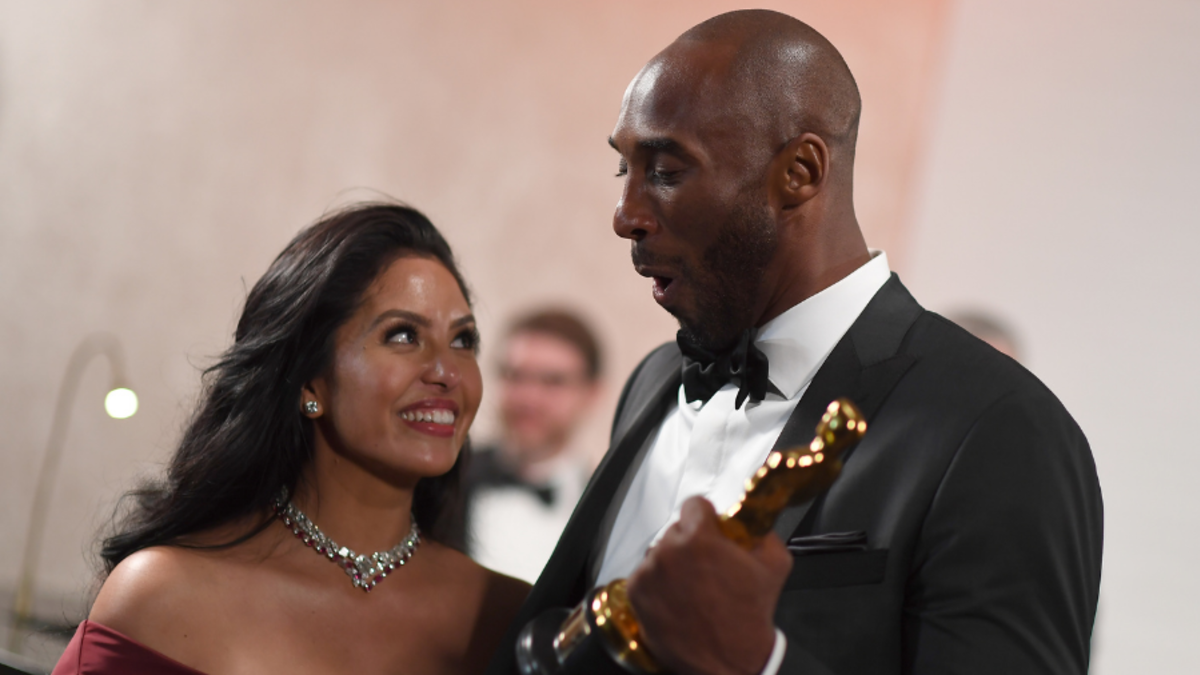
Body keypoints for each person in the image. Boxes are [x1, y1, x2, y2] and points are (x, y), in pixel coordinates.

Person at [488, 10, 1102, 675]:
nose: (625, 215)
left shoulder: (998, 429)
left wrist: (759, 661)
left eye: (665, 170)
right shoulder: (654, 380)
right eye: (624, 170)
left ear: (801, 172)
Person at [54, 204, 529, 674]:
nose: (447, 372)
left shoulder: (509, 617)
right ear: (309, 382)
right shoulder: (163, 595)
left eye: (463, 341)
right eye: (403, 335)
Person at [465, 309, 603, 583]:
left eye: (553, 381)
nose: (529, 398)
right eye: (515, 376)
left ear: (592, 393)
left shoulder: (607, 510)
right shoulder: (443, 482)